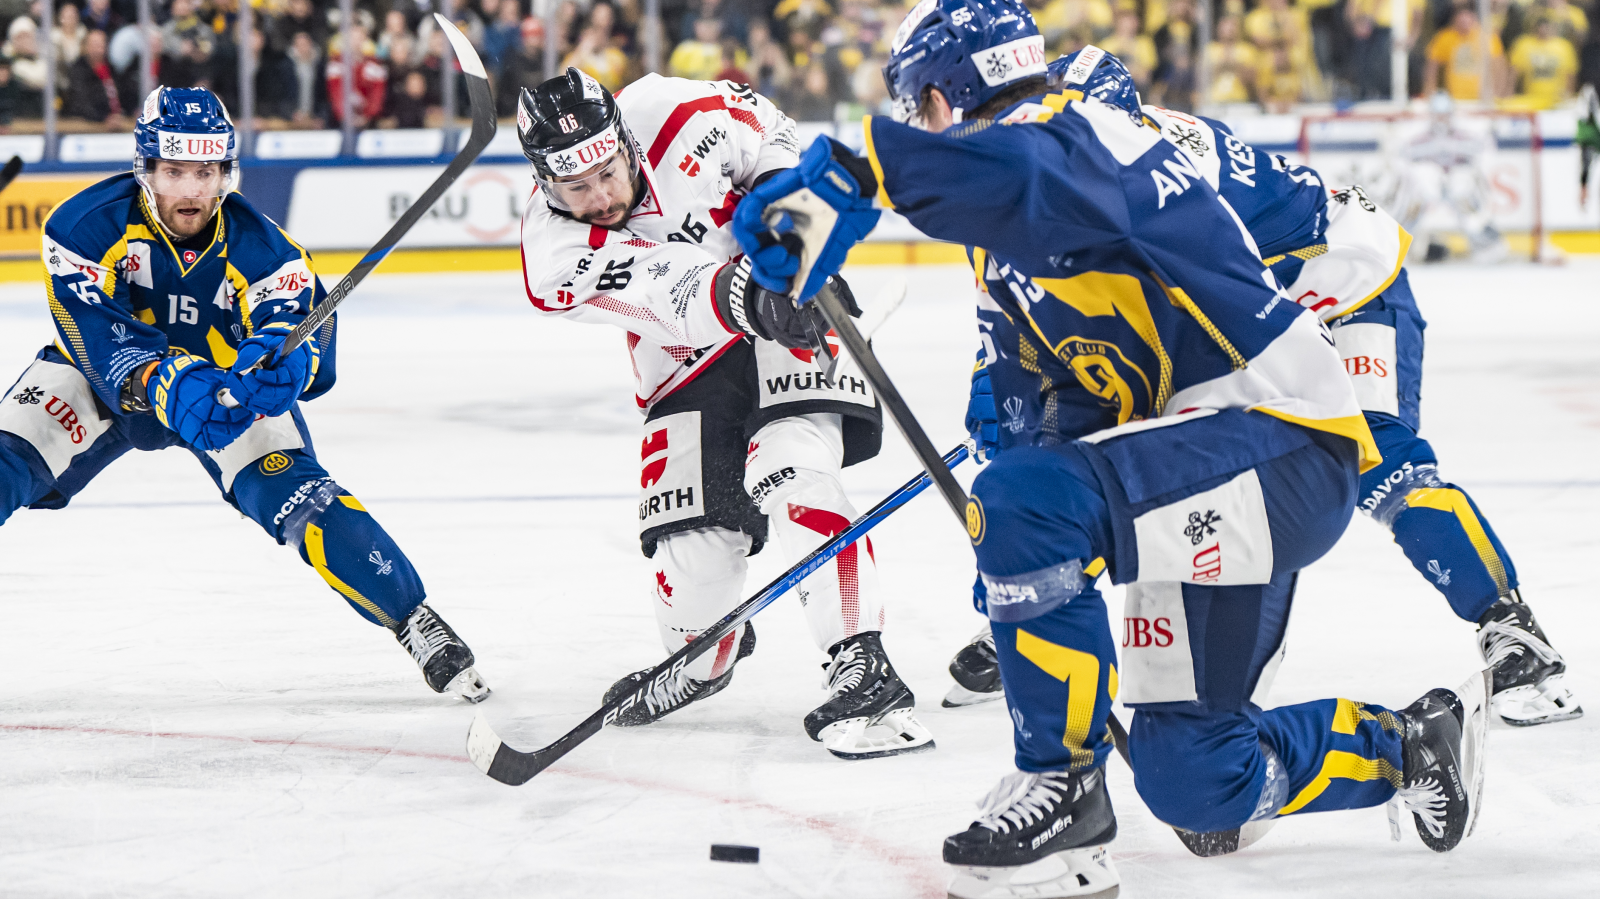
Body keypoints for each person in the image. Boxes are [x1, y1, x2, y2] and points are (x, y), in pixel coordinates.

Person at [731, 4, 1490, 895]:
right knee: (1196, 779)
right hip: (1186, 471)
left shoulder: (1088, 137)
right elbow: (1039, 414)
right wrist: (1023, 576)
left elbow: (1021, 168)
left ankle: (1063, 789)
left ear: (941, 96)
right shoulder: (1005, 235)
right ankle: (1409, 746)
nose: (913, 121)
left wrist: (856, 170)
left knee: (1024, 501)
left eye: (913, 106)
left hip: (1280, 446)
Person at [949, 46, 1581, 732]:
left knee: (1378, 461)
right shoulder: (1104, 169)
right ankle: (1040, 602)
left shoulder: (1161, 184)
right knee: (1131, 462)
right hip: (1264, 317)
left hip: (1350, 294)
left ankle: (1513, 629)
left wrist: (1030, 413)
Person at [0, 87, 489, 704]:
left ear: (224, 172)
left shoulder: (267, 249)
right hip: (100, 384)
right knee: (6, 459)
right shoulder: (82, 225)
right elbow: (94, 334)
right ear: (145, 168)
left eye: (204, 172)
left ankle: (414, 619)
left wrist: (281, 362)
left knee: (302, 498)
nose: (191, 190)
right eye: (174, 171)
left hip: (224, 391)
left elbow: (300, 334)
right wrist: (163, 379)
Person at [513, 67, 933, 760]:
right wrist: (750, 294)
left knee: (789, 467)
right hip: (686, 362)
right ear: (543, 181)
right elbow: (665, 290)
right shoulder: (552, 253)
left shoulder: (672, 108)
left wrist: (786, 206)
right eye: (576, 188)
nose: (601, 197)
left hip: (794, 308)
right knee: (694, 595)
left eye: (608, 173)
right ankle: (705, 663)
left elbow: (768, 129)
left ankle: (861, 660)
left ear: (624, 140)